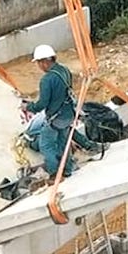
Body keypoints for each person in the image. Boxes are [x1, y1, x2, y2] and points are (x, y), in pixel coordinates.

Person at [23, 44, 100, 177]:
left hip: (56, 118)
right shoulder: (64, 70)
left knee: (46, 145)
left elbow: (42, 104)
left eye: (39, 63)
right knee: (63, 143)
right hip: (68, 115)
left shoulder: (47, 80)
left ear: (45, 62)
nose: (39, 66)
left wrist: (29, 107)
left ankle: (55, 173)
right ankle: (68, 169)